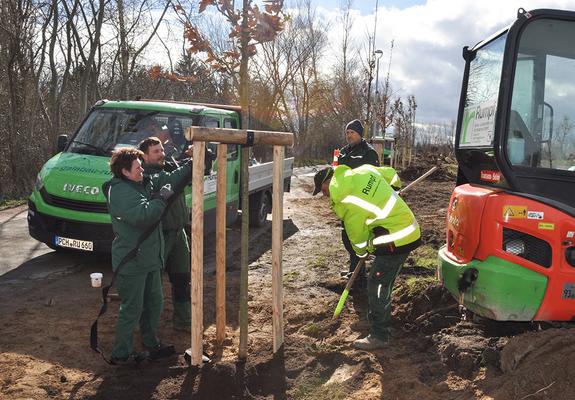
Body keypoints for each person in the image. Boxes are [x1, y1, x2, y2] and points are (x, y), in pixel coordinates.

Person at [313, 164, 421, 350]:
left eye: (323, 190)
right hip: (407, 227)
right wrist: (393, 191)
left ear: (328, 182)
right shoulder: (363, 170)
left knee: (378, 284)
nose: (324, 195)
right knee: (383, 282)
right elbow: (391, 174)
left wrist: (363, 252)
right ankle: (378, 318)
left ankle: (380, 334)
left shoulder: (345, 201)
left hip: (397, 239)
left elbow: (358, 238)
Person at [105, 147, 178, 365]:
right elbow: (143, 216)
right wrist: (161, 199)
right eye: (138, 168)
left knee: (154, 303)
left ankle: (150, 341)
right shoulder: (120, 191)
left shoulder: (137, 185)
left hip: (148, 259)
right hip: (132, 262)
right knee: (132, 309)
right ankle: (120, 354)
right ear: (125, 172)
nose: (142, 171)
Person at [138, 137, 193, 332]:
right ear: (144, 156)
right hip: (158, 236)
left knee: (182, 279)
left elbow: (193, 173)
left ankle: (184, 320)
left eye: (162, 150)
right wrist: (191, 163)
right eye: (156, 152)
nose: (162, 154)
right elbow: (178, 178)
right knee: (152, 284)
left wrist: (195, 157)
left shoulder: (167, 168)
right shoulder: (147, 178)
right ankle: (148, 327)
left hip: (179, 234)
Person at [338, 119, 380, 279]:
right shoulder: (343, 151)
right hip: (345, 201)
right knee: (347, 237)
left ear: (360, 134)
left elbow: (375, 178)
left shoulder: (368, 153)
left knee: (357, 237)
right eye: (347, 133)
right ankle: (354, 269)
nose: (349, 135)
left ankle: (358, 275)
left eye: (352, 133)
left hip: (361, 203)